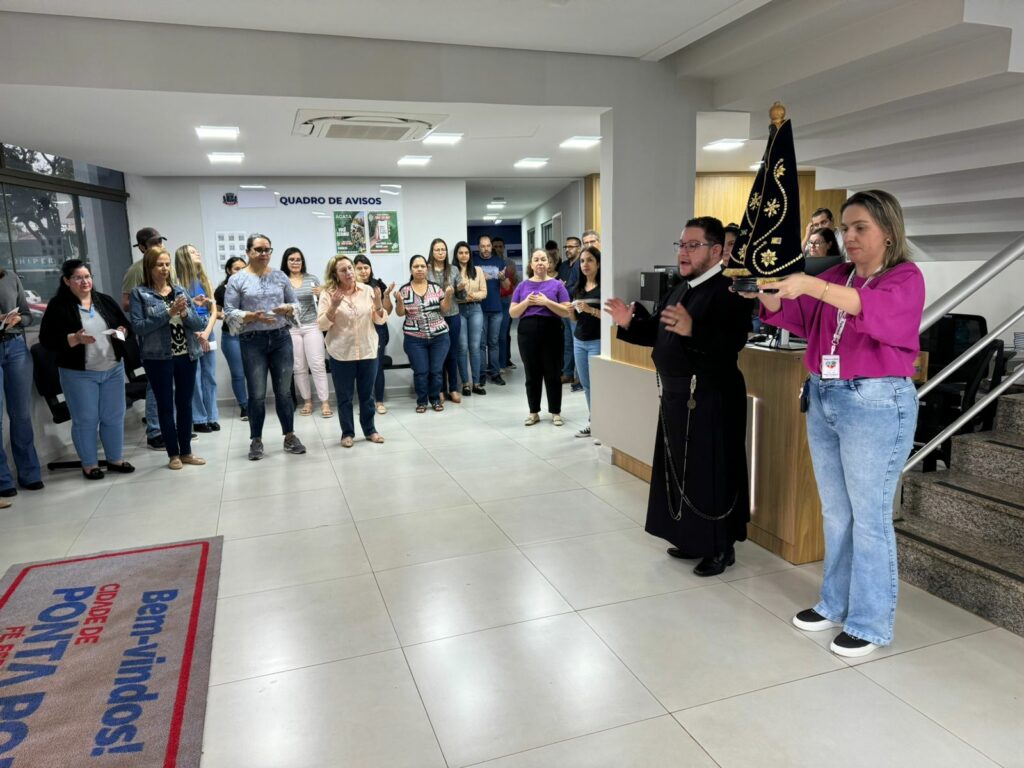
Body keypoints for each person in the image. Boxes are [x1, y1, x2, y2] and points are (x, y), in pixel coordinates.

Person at [748, 190, 924, 658]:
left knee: (869, 519)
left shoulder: (904, 277)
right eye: (845, 228)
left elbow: (879, 316)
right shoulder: (840, 274)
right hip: (825, 394)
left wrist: (813, 284)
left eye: (859, 227)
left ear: (888, 231)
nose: (848, 237)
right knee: (836, 512)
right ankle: (834, 603)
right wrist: (768, 295)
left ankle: (869, 622)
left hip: (876, 401)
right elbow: (802, 316)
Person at [605, 216, 751, 577]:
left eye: (692, 245)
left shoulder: (728, 291)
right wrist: (629, 323)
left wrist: (693, 330)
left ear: (716, 251)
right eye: (681, 245)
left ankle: (720, 547)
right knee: (682, 471)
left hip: (711, 396)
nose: (683, 252)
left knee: (711, 471)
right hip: (677, 396)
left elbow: (731, 344)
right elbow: (658, 332)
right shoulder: (679, 288)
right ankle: (691, 537)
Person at [39, 259, 135, 479]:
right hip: (79, 373)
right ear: (67, 281)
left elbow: (126, 326)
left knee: (113, 416)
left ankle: (115, 459)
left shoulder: (105, 301)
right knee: (86, 419)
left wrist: (122, 331)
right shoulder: (58, 306)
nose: (85, 281)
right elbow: (47, 340)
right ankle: (90, 464)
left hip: (112, 368)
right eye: (78, 277)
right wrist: (74, 338)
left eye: (88, 276)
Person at [224, 233, 306, 461]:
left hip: (280, 338)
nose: (264, 254)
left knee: (284, 391)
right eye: (259, 250)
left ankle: (289, 436)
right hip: (252, 341)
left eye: (267, 250)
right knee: (257, 394)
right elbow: (228, 311)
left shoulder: (280, 276)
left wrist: (287, 309)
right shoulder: (237, 280)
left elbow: (296, 304)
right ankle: (256, 441)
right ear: (248, 252)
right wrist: (249, 315)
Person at [129, 246, 207, 470]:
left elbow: (199, 324)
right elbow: (139, 327)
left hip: (187, 354)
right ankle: (173, 454)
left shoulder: (180, 290)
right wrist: (169, 312)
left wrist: (184, 313)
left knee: (185, 404)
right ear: (149, 268)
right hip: (158, 358)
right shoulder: (140, 294)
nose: (164, 269)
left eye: (167, 264)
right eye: (159, 265)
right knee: (165, 405)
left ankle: (186, 452)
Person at [318, 255, 387, 447]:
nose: (349, 273)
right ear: (335, 274)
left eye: (350, 268)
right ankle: (347, 433)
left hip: (367, 350)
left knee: (367, 395)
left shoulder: (367, 290)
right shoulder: (328, 293)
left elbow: (380, 320)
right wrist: (333, 306)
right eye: (343, 270)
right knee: (345, 397)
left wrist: (379, 303)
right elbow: (321, 325)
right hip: (341, 352)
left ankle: (370, 430)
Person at [121, 226, 172, 450]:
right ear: (142, 247)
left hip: (172, 333)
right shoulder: (136, 270)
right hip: (151, 334)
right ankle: (155, 430)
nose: (158, 246)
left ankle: (169, 425)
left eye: (160, 241)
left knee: (171, 385)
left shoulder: (167, 266)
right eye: (153, 243)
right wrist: (153, 305)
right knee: (155, 385)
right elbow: (126, 303)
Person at [509, 249, 571, 426]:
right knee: (532, 373)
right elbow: (513, 312)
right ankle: (533, 411)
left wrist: (547, 303)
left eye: (543, 259)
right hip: (527, 332)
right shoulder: (522, 286)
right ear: (531, 264)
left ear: (549, 263)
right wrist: (526, 302)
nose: (540, 263)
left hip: (551, 330)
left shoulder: (557, 285)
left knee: (552, 373)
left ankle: (555, 412)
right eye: (536, 259)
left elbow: (566, 311)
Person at [0, 265, 43, 497]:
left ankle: (30, 473)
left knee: (22, 415)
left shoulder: (9, 276)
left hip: (15, 347)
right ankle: (2, 479)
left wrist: (18, 319)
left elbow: (27, 314)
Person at [396, 254, 453, 412]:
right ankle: (421, 401)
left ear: (427, 268)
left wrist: (448, 296)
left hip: (439, 337)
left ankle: (435, 399)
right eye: (416, 266)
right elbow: (400, 313)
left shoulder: (435, 288)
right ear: (411, 269)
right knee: (421, 371)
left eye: (422, 266)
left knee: (436, 370)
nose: (419, 269)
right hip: (414, 339)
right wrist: (400, 302)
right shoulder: (405, 290)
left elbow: (445, 309)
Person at [175, 244, 219, 432]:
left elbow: (214, 309)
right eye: (193, 252)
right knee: (196, 375)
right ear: (184, 257)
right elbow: (180, 311)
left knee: (209, 375)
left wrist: (207, 332)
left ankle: (211, 416)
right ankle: (199, 418)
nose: (197, 253)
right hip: (190, 330)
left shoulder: (204, 279)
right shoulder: (177, 283)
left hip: (207, 327)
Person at [282, 247, 331, 419]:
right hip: (292, 327)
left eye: (298, 259)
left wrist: (321, 293)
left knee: (317, 364)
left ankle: (325, 401)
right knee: (298, 366)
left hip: (312, 325)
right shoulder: (282, 280)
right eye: (292, 259)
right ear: (286, 262)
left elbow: (324, 302)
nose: (295, 262)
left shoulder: (312, 279)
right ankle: (307, 401)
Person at [354, 254, 394, 414]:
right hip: (358, 331)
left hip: (378, 330)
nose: (363, 271)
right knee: (360, 368)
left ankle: (379, 401)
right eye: (359, 268)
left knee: (377, 366)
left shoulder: (377, 284)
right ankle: (365, 401)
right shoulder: (350, 287)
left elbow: (388, 311)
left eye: (366, 268)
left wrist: (384, 296)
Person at [569, 246, 602, 438]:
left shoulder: (604, 287)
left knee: (598, 384)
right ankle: (594, 422)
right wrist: (570, 313)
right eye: (582, 261)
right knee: (587, 384)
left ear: (598, 263)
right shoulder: (578, 289)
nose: (585, 265)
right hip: (579, 341)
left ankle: (602, 425)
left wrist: (590, 310)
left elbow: (608, 316)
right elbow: (575, 320)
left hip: (597, 340)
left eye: (589, 260)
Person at [427, 237, 464, 403]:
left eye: (443, 250)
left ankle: (454, 389)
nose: (440, 253)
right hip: (434, 317)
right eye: (437, 250)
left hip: (453, 315)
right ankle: (440, 390)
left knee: (452, 352)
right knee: (438, 355)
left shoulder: (454, 269)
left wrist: (460, 289)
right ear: (432, 252)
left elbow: (461, 296)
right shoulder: (425, 269)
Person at [473, 235, 511, 389]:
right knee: (481, 344)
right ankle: (481, 374)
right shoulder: (473, 262)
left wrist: (502, 278)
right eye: (483, 246)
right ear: (478, 247)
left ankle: (495, 373)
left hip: (496, 309)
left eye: (488, 246)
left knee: (494, 343)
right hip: (478, 309)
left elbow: (508, 285)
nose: (486, 249)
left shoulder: (499, 261)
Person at [214, 256, 248, 420]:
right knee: (238, 373)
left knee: (254, 372)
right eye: (236, 268)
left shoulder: (251, 286)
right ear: (229, 270)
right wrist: (228, 315)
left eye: (243, 268)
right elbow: (216, 313)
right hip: (231, 336)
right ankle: (244, 406)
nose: (240, 272)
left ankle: (255, 403)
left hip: (251, 335)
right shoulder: (222, 290)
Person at [453, 241, 488, 397]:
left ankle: (477, 383)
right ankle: (465, 384)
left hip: (475, 309)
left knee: (475, 346)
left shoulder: (478, 270)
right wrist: (458, 293)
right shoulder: (452, 271)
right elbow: (449, 293)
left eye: (466, 252)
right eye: (460, 253)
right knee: (462, 347)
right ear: (456, 255)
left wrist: (474, 295)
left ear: (470, 254)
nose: (464, 255)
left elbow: (484, 292)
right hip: (458, 310)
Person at [493, 236, 518, 371]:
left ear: (504, 248)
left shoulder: (510, 263)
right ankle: (495, 363)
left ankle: (504, 361)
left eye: (500, 246)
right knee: (494, 336)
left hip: (506, 302)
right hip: (492, 301)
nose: (497, 249)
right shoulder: (490, 262)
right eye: (495, 246)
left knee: (504, 334)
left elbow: (515, 282)